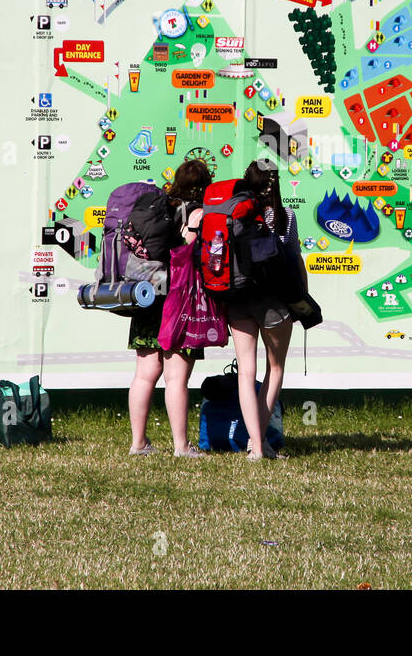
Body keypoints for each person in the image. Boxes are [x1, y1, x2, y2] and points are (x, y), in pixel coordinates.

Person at [127, 159, 213, 458]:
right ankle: (181, 446)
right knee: (176, 378)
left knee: (144, 373)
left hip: (148, 295)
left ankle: (138, 443)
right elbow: (192, 253)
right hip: (180, 299)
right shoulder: (198, 212)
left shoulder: (159, 205)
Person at [230, 159, 305, 461]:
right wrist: (303, 299)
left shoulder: (234, 215)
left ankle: (257, 449)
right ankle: (257, 442)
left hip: (237, 299)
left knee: (245, 372)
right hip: (274, 302)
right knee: (274, 369)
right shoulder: (286, 217)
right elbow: (297, 261)